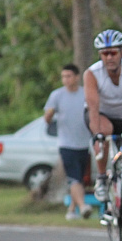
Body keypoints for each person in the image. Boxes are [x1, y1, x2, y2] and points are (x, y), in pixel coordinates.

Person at [84, 29, 122, 202]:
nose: (109, 57)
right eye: (105, 53)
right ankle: (101, 177)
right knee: (105, 132)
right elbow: (93, 107)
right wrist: (98, 135)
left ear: (121, 53)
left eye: (113, 53)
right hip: (100, 116)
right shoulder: (92, 73)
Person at [44, 63, 93, 220]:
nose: (66, 79)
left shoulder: (86, 93)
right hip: (66, 144)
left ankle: (71, 211)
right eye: (63, 76)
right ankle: (83, 207)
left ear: (77, 77)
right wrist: (50, 115)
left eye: (69, 76)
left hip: (84, 143)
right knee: (74, 177)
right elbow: (47, 118)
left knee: (80, 179)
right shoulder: (57, 95)